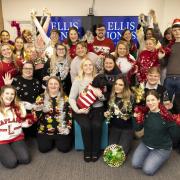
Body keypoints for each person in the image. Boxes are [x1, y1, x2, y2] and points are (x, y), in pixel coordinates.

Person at [132, 90, 180, 176]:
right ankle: (151, 155)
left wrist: (174, 125)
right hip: (146, 143)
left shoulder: (167, 115)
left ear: (158, 100)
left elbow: (175, 136)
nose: (150, 103)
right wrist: (135, 118)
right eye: (148, 101)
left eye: (153, 100)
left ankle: (162, 156)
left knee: (147, 170)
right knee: (135, 164)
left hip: (161, 148)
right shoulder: (145, 113)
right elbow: (137, 128)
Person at [69, 58, 104, 162]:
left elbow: (105, 98)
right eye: (85, 65)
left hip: (97, 108)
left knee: (97, 125)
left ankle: (95, 151)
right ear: (82, 68)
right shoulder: (78, 80)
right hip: (81, 109)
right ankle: (87, 151)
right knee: (86, 126)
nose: (88, 67)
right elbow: (71, 98)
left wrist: (101, 95)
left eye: (90, 65)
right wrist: (78, 110)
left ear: (93, 67)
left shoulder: (99, 78)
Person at [3, 62, 42, 137]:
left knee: (33, 135)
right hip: (18, 113)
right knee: (22, 136)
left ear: (33, 70)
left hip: (33, 114)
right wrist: (7, 86)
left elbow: (40, 98)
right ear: (22, 69)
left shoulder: (37, 82)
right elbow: (6, 97)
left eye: (30, 68)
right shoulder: (15, 80)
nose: (28, 70)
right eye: (26, 68)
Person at [34, 76, 72, 153]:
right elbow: (35, 116)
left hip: (61, 129)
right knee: (43, 149)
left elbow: (69, 115)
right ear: (47, 85)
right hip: (45, 130)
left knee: (64, 149)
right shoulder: (41, 97)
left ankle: (59, 140)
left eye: (56, 84)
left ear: (59, 86)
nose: (53, 86)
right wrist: (39, 110)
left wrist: (68, 128)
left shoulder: (65, 98)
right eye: (51, 84)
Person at [0, 85, 33, 168]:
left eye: (12, 94)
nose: (9, 96)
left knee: (25, 159)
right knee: (11, 163)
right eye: (7, 93)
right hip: (1, 140)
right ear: (2, 95)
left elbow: (22, 123)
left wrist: (28, 122)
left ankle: (11, 149)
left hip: (16, 137)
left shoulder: (18, 107)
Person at [104, 76, 134, 156]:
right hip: (115, 128)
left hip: (127, 129)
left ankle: (128, 142)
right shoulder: (112, 96)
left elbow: (135, 113)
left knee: (119, 155)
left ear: (125, 86)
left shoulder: (131, 97)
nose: (117, 86)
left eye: (121, 85)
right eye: (116, 84)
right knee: (110, 154)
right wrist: (106, 113)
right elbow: (109, 111)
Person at [164, 19, 180, 114]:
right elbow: (163, 62)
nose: (177, 32)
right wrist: (161, 57)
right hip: (169, 78)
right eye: (174, 30)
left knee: (179, 105)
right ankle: (167, 124)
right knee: (166, 103)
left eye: (179, 29)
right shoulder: (169, 46)